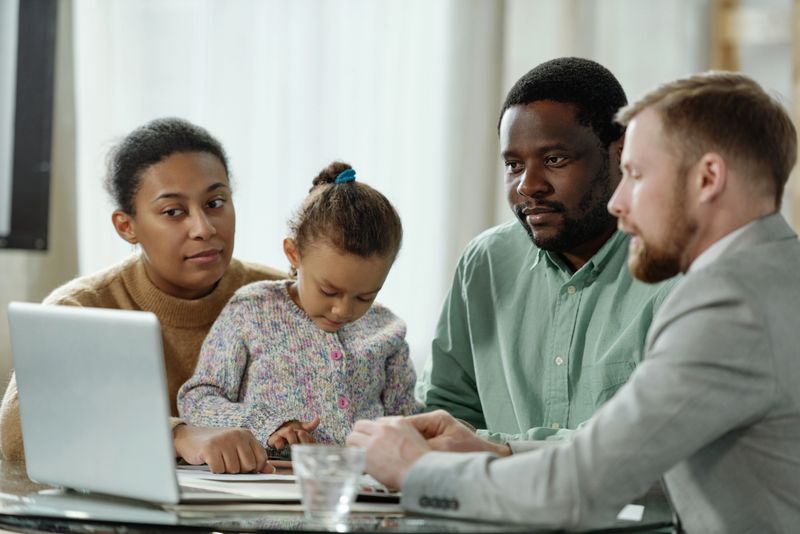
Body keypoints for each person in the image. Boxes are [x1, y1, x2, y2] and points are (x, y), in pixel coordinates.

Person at [348, 72, 800, 532]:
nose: (620, 202)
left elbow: (578, 488)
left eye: (637, 175)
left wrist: (415, 470)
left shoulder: (729, 305)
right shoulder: (773, 276)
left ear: (708, 179)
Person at [0, 118, 287, 473]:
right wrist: (175, 436)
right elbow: (17, 436)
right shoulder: (82, 308)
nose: (204, 228)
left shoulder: (287, 297)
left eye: (215, 202)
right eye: (173, 212)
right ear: (127, 226)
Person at [418, 57, 676, 442]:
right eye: (513, 165)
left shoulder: (679, 269)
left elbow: (654, 440)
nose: (528, 185)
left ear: (620, 152)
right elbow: (444, 414)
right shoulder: (485, 263)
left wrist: (501, 455)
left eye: (554, 160)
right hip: (492, 502)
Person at [177, 162, 420, 450]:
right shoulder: (252, 310)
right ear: (294, 254)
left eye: (365, 297)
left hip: (363, 487)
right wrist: (268, 424)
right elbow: (197, 400)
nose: (343, 310)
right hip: (269, 485)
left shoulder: (387, 329)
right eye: (329, 290)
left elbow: (407, 420)